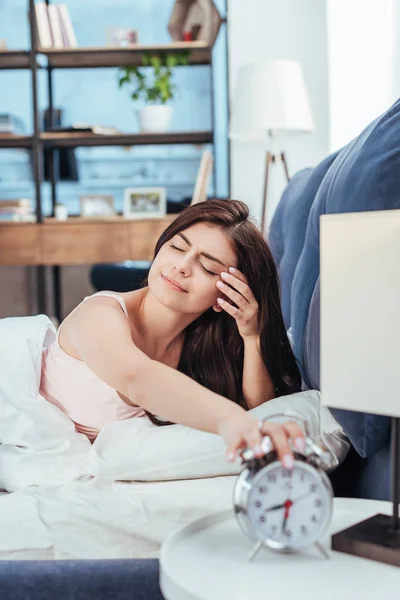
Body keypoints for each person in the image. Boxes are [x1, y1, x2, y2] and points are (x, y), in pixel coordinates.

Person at [40, 199, 305, 467]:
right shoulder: (99, 314)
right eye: (177, 247)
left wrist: (251, 336)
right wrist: (232, 419)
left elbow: (259, 408)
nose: (182, 266)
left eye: (208, 267)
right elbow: (137, 377)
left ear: (229, 294)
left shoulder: (202, 348)